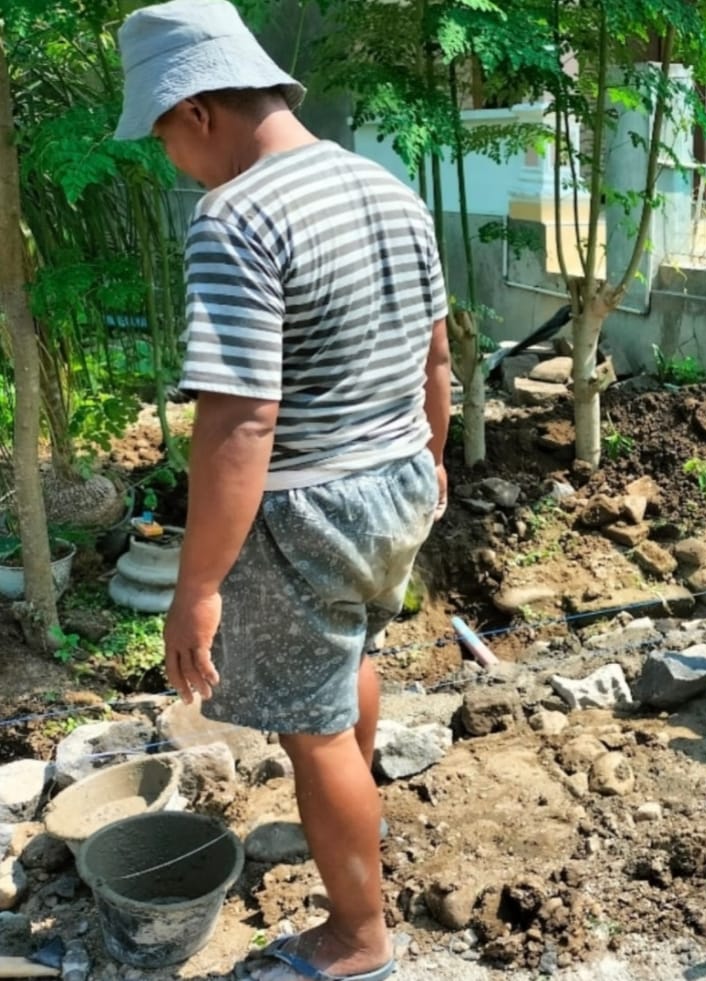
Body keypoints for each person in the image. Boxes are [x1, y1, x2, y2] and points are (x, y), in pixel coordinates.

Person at [115, 3, 450, 979]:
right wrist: (430, 460)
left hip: (309, 507)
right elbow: (435, 352)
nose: (171, 157)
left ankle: (355, 937)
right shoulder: (382, 185)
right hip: (395, 486)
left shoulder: (237, 217)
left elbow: (239, 422)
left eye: (164, 134)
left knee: (310, 731)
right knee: (351, 656)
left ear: (199, 111)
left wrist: (197, 583)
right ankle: (350, 817)